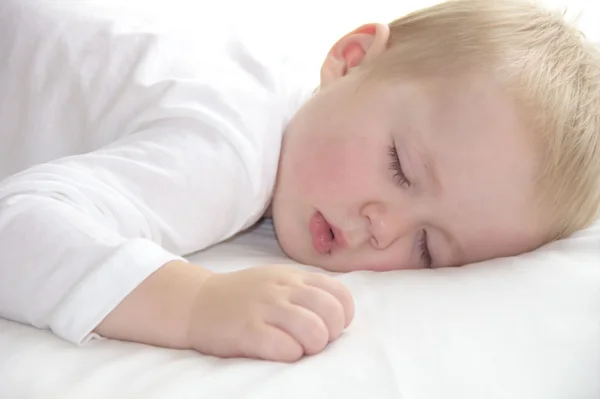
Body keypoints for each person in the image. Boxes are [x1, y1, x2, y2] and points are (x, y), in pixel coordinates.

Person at [0, 0, 599, 363]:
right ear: (352, 58)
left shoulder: (288, 90)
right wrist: (195, 305)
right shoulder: (229, 151)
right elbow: (18, 229)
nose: (381, 227)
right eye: (400, 167)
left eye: (428, 249)